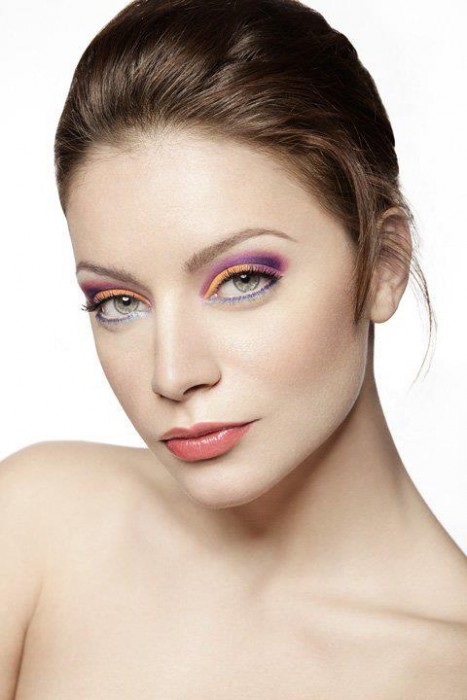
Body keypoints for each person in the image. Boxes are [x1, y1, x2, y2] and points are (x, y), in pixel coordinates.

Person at [1, 0, 466, 696]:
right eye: (119, 302)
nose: (172, 374)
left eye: (242, 280)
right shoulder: (37, 525)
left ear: (383, 266)